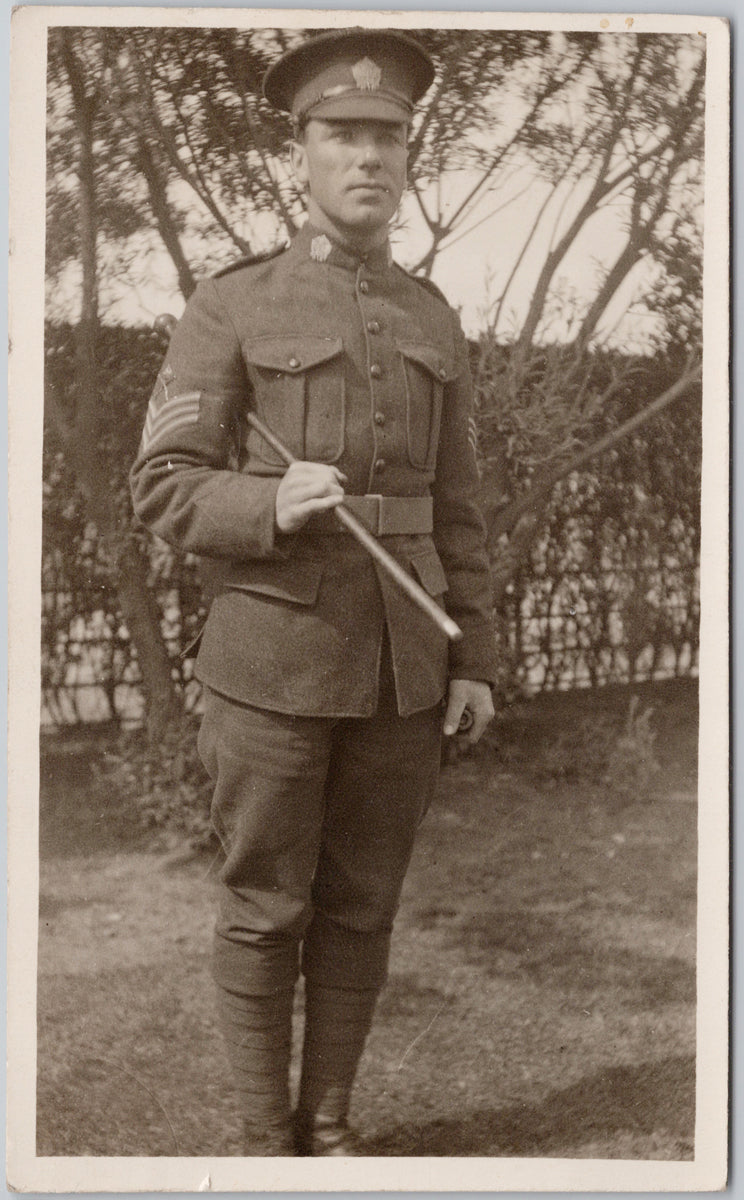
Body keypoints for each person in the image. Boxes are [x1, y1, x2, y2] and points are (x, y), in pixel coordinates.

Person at [130, 28, 497, 1157]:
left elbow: (459, 506)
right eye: (343, 134)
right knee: (264, 907)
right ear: (302, 154)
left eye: (387, 135)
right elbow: (161, 484)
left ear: (406, 153)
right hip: (273, 665)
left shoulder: (432, 315)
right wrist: (265, 507)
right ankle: (261, 1141)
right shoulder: (234, 305)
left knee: (361, 908)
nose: (369, 156)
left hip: (401, 671)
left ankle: (329, 1125)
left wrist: (475, 655)